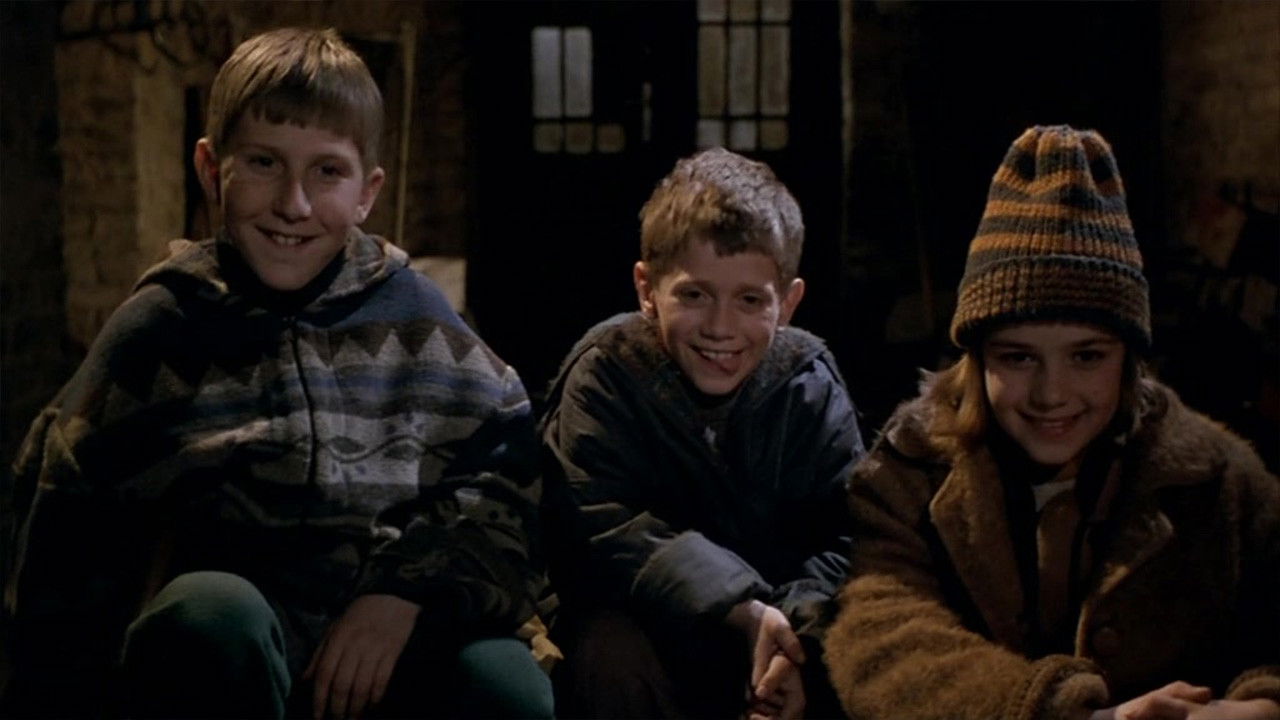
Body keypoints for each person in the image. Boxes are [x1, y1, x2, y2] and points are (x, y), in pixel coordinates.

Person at [4, 27, 555, 719]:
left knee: (507, 683)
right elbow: (63, 518)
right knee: (210, 611)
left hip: (387, 653)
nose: (293, 204)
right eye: (264, 163)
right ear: (212, 170)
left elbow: (505, 478)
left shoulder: (419, 323)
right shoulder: (162, 330)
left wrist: (405, 589)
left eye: (327, 172)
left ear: (368, 192)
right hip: (232, 665)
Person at [824, 125, 1280, 720]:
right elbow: (884, 639)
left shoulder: (1221, 482)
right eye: (1018, 358)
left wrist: (1262, 703)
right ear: (977, 359)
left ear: (1129, 360)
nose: (1051, 395)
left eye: (1087, 357)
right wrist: (1070, 713)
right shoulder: (906, 474)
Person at [541, 147, 865, 720]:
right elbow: (600, 524)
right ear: (647, 289)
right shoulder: (607, 374)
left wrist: (796, 640)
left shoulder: (808, 383)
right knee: (608, 660)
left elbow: (846, 532)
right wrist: (742, 608)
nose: (720, 327)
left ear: (788, 303)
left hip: (779, 623)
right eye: (694, 295)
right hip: (646, 625)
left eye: (750, 301)